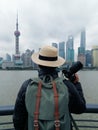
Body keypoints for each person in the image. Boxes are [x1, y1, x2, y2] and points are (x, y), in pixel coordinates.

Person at [13, 45, 86, 130]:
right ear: (56, 65)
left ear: (38, 64)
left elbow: (17, 119)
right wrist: (76, 84)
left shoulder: (27, 85)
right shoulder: (67, 86)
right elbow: (80, 108)